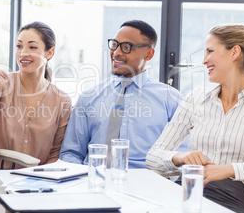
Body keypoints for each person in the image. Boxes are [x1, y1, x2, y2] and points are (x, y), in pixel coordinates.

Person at [146, 24, 244, 213]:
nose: (204, 60)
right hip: (181, 192)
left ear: (234, 52)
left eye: (210, 51)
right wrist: (180, 158)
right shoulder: (195, 98)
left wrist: (230, 170)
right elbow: (152, 157)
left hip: (229, 199)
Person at [59, 19, 186, 169]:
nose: (116, 53)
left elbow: (182, 154)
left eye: (127, 47)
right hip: (94, 182)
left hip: (147, 185)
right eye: (114, 44)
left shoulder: (171, 99)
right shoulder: (89, 97)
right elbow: (71, 153)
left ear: (149, 53)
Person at [0, 21, 72, 185]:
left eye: (32, 47)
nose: (23, 53)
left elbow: (56, 154)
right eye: (19, 46)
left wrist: (36, 183)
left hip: (37, 185)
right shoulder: (2, 81)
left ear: (50, 52)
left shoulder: (62, 101)